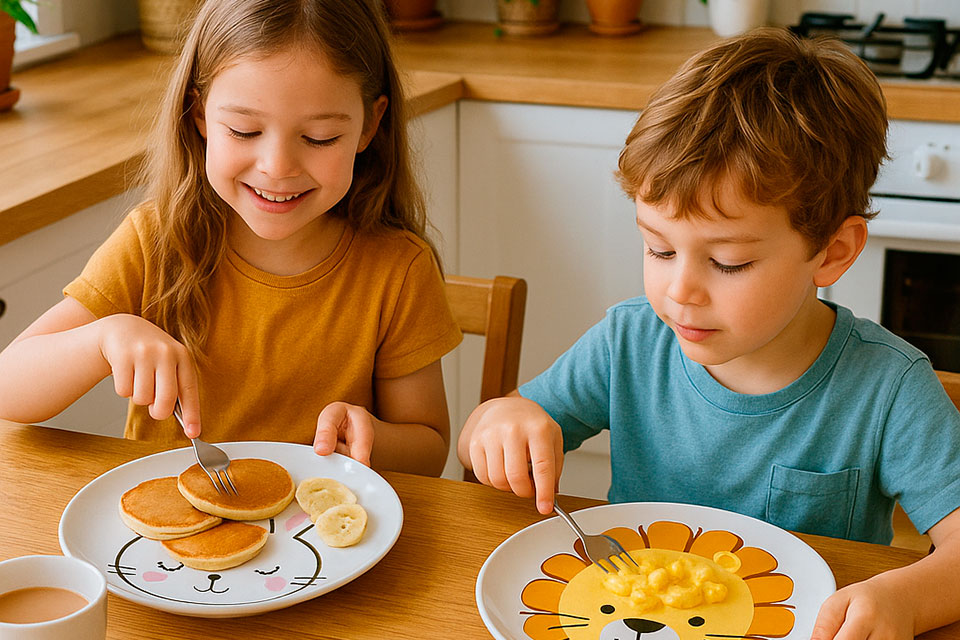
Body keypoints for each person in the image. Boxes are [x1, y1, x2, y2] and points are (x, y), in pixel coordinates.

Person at [458, 27, 960, 639]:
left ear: (832, 252)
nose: (680, 292)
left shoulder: (889, 388)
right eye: (658, 249)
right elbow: (500, 427)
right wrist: (498, 423)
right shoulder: (629, 343)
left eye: (728, 263)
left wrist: (904, 598)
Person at [0, 0, 462, 476]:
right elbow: (7, 388)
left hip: (323, 538)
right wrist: (100, 340)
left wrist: (373, 438)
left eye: (320, 138)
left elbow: (429, 449)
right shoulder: (154, 243)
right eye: (244, 130)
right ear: (199, 114)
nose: (277, 166)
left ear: (369, 124)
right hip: (168, 541)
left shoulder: (399, 269)